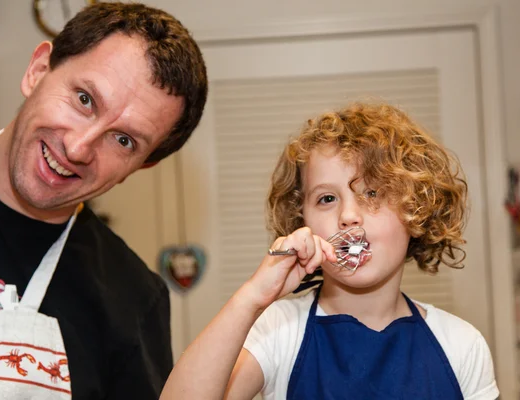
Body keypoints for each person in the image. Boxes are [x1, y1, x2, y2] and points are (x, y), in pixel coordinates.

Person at [160, 103, 499, 399]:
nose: (348, 216)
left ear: (416, 211)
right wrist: (252, 298)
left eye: (372, 192)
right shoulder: (279, 331)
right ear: (301, 220)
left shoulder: (461, 346)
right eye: (326, 198)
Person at [0, 2, 207, 399]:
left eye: (123, 140)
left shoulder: (134, 300)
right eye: (84, 99)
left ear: (141, 166)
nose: (78, 148)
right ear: (38, 70)